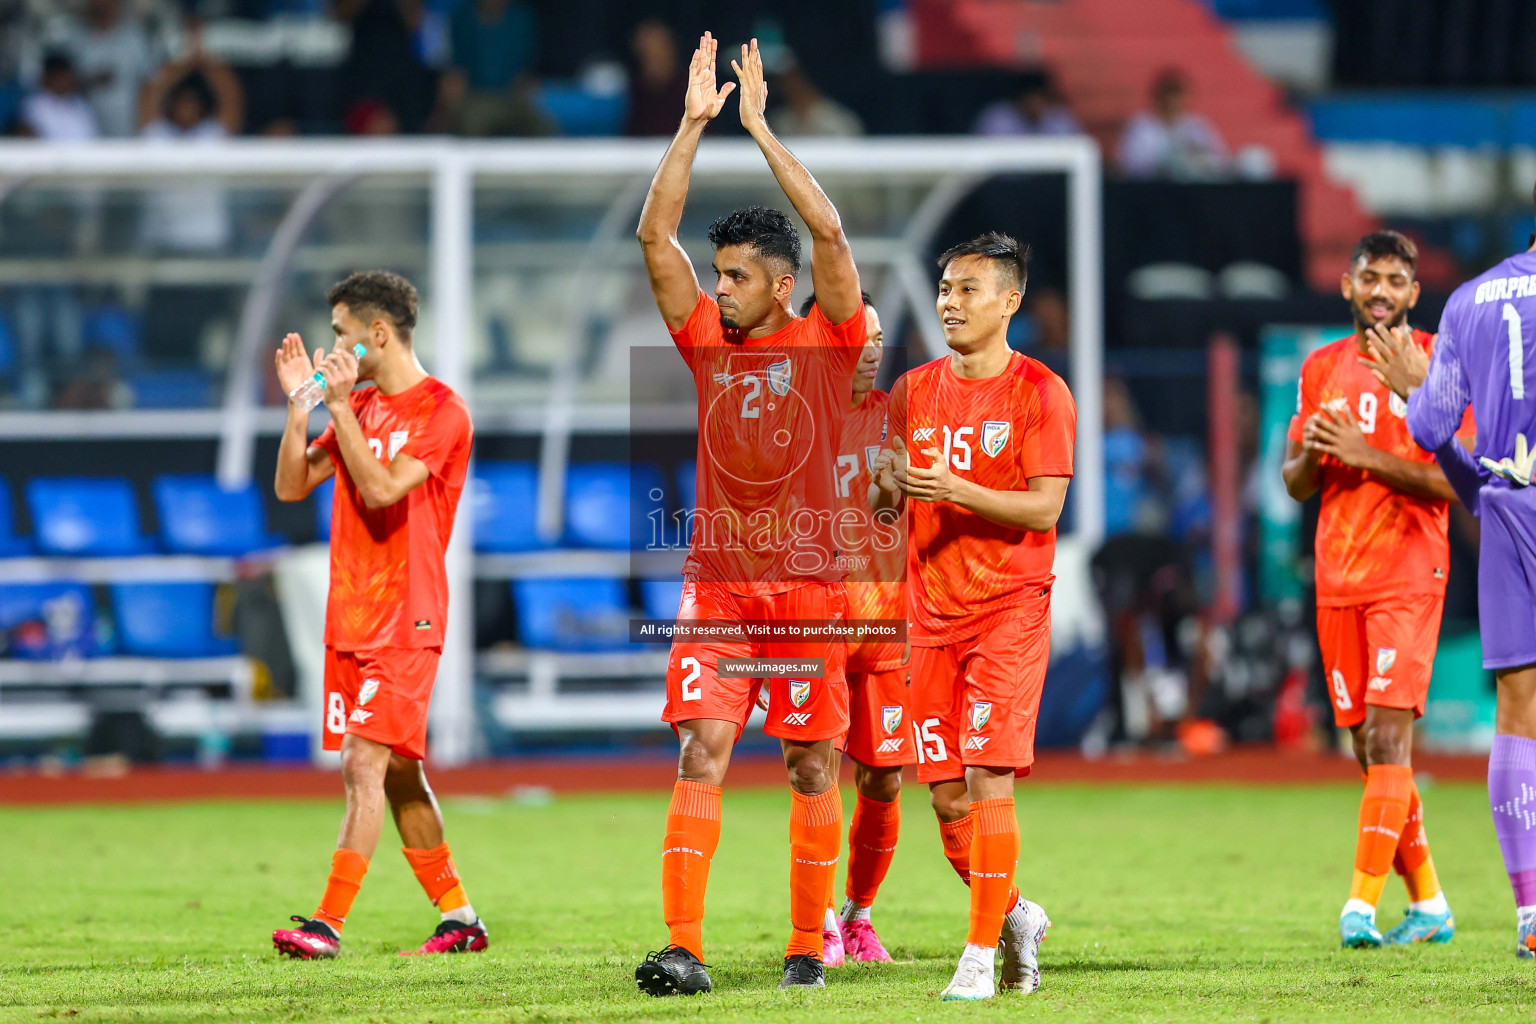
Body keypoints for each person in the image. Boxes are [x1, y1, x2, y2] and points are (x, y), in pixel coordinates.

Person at [632, 33, 865, 996]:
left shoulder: (832, 339)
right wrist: (690, 127)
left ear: (779, 282)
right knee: (702, 748)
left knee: (814, 768)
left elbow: (834, 240)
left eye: (734, 276)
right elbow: (654, 240)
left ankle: (808, 945)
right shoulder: (706, 346)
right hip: (722, 587)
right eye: (716, 273)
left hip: (811, 590)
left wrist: (764, 132)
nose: (717, 288)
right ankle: (683, 946)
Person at [871, 232, 1071, 1000]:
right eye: (946, 288)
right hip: (930, 616)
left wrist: (956, 489)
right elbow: (888, 500)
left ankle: (978, 957)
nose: (950, 303)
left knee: (989, 779)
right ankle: (1015, 916)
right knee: (947, 797)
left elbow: (1046, 505)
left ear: (1009, 301)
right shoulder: (913, 389)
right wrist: (887, 486)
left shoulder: (1041, 392)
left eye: (967, 290)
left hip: (1009, 611)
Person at [267, 271, 483, 960]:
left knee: (362, 762)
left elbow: (384, 488)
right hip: (353, 617)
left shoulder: (443, 412)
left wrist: (340, 409)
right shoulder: (358, 405)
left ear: (377, 333)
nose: (335, 344)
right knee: (397, 774)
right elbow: (292, 484)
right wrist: (303, 407)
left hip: (406, 618)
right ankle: (460, 920)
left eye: (340, 332)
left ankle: (325, 925)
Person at [1280, 230, 1469, 950]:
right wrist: (1317, 453)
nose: (1382, 290)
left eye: (1396, 279)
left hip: (1409, 571)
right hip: (1338, 577)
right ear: (1348, 286)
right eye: (1370, 277)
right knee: (1366, 750)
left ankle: (1358, 906)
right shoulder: (1321, 366)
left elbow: (1457, 480)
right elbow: (1294, 482)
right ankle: (1431, 905)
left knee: (1389, 739)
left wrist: (1367, 456)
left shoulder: (1436, 365)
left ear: (1415, 293)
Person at [1372, 185, 1536, 958]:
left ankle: (1532, 915)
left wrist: (1411, 390)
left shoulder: (1470, 300)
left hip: (1507, 511)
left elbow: (1434, 428)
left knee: (1518, 710)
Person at [798, 290, 907, 967]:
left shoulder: (897, 416)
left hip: (885, 623)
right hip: (814, 626)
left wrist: (895, 493)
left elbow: (894, 514)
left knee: (886, 777)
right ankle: (818, 924)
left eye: (876, 336)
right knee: (817, 771)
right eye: (854, 336)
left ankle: (858, 915)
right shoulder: (794, 421)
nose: (869, 347)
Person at [438, 0, 548, 137]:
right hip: (475, 97)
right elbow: (455, 70)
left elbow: (528, 71)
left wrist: (527, 89)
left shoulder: (521, 19)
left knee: (544, 126)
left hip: (513, 96)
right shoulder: (462, 18)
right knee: (473, 122)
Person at [1116, 68, 1228, 180]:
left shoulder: (1197, 126)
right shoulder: (1140, 126)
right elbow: (1131, 166)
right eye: (1169, 94)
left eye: (1178, 94)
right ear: (1158, 96)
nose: (1174, 100)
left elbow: (1220, 161)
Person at [624, 18, 687, 137]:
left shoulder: (691, 89)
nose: (654, 54)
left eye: (659, 47)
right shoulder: (630, 93)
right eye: (647, 51)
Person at [972, 72, 1079, 137]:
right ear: (1020, 99)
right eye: (1031, 99)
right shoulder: (998, 118)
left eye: (1040, 99)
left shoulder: (1059, 119)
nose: (1035, 104)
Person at [771, 62, 862, 138]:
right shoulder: (779, 121)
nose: (791, 85)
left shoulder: (839, 121)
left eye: (795, 79)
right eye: (785, 81)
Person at [19, 52, 97, 140]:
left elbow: (92, 137)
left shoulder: (80, 104)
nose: (67, 82)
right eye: (62, 78)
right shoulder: (34, 105)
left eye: (69, 77)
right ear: (49, 78)